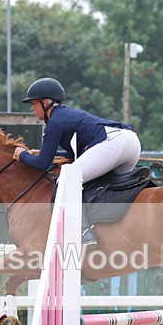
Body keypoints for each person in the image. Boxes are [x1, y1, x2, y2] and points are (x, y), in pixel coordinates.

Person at [13, 77, 142, 246]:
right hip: (130, 143)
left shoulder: (54, 122)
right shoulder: (65, 115)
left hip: (112, 144)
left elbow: (42, 164)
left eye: (33, 103)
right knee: (100, 185)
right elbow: (72, 155)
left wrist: (22, 155)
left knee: (66, 181)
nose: (32, 108)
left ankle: (84, 231)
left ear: (45, 102)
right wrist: (43, 153)